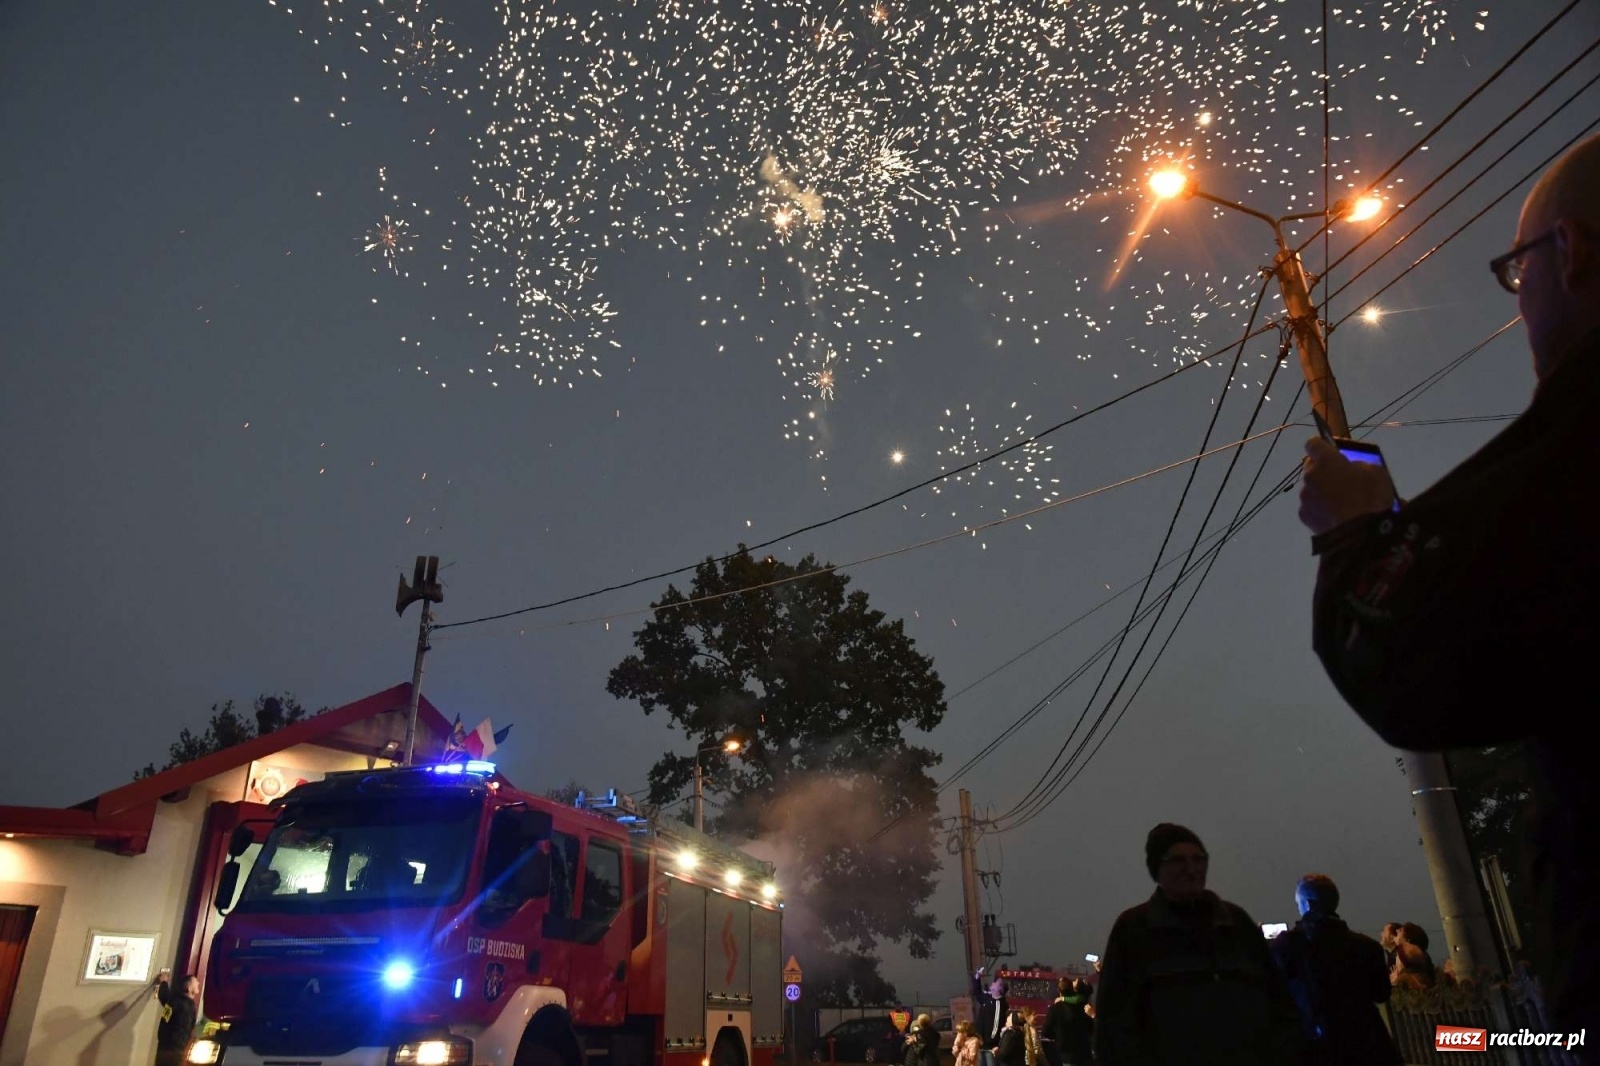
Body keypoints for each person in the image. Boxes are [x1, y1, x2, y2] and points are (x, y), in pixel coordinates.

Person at [1299, 130, 1600, 1056]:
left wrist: (1357, 531)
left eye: (1519, 271)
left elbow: (1409, 661)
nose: (1521, 305)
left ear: (1572, 252)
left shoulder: (1576, 443)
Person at [1092, 824, 1300, 1066]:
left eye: (1198, 859)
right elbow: (1113, 1026)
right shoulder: (1134, 930)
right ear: (1157, 869)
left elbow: (1280, 1006)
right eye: (1178, 860)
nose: (1191, 869)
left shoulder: (1237, 924)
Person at [1269, 873, 1402, 1066]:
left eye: (1298, 903)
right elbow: (1381, 994)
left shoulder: (1289, 945)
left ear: (1308, 905)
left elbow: (1273, 991)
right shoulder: (1367, 946)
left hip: (1318, 1046)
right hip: (1368, 1044)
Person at [152, 968, 199, 1066]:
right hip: (175, 1052)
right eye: (195, 982)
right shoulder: (186, 1007)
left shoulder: (173, 1001)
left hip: (163, 1048)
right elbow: (183, 1031)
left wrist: (164, 982)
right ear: (189, 989)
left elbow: (163, 995)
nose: (198, 983)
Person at [1043, 976, 1093, 1066]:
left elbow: (1046, 1032)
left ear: (1059, 991)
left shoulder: (1055, 1008)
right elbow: (1091, 1028)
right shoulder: (1086, 1007)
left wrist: (1059, 1036)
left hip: (1066, 1055)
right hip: (1085, 1054)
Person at [972, 968, 1010, 1063]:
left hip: (989, 1046)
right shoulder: (988, 997)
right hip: (980, 1042)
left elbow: (996, 1025)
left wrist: (989, 1041)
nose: (992, 983)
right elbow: (977, 993)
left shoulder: (1000, 1004)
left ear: (1000, 989)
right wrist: (977, 978)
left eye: (995, 982)